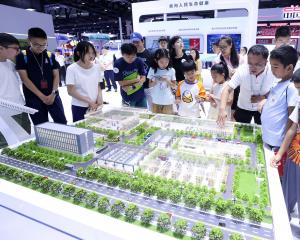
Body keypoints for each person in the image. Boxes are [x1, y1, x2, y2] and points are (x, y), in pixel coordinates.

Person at [260, 45, 299, 178]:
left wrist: (281, 151)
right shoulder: (278, 83)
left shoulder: (291, 88)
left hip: (277, 145)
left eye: (275, 67)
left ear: (289, 68)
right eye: (271, 66)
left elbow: (291, 120)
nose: (272, 70)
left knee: (275, 179)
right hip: (268, 140)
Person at [16, 27, 67, 125]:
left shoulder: (49, 55)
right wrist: (42, 97)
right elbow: (25, 79)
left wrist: (53, 93)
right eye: (36, 45)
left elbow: (56, 75)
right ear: (29, 41)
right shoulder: (22, 56)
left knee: (62, 122)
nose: (41, 48)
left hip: (53, 95)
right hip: (34, 98)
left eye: (44, 45)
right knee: (42, 127)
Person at [270, 69, 300, 222]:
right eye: (298, 90)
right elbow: (292, 130)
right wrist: (280, 154)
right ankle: (284, 219)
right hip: (295, 155)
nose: (299, 94)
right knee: (289, 190)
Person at [217, 45, 274, 125]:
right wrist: (222, 109)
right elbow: (227, 89)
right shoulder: (242, 70)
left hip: (263, 107)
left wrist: (263, 97)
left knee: (262, 131)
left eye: (258, 64)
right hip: (243, 106)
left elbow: (277, 89)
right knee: (240, 131)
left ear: (266, 62)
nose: (253, 67)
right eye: (250, 63)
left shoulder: (272, 71)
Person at [0, 33, 31, 148]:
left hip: (20, 109)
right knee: (6, 146)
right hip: (4, 115)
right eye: (15, 49)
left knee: (25, 141)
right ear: (1, 48)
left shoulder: (10, 64)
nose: (18, 52)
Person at [66, 41, 103, 122]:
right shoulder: (72, 69)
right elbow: (70, 91)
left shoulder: (97, 67)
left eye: (92, 53)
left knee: (97, 130)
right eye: (87, 53)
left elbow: (98, 85)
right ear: (79, 53)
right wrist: (89, 101)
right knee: (82, 130)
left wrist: (100, 98)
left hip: (95, 105)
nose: (91, 55)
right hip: (79, 107)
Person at [113, 43, 147, 108]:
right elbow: (121, 83)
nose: (131, 59)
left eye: (133, 56)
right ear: (122, 54)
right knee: (130, 116)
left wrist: (132, 86)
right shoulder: (118, 63)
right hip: (127, 96)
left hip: (140, 94)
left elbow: (143, 78)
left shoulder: (139, 61)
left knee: (143, 114)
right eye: (128, 57)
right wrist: (136, 80)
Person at [216, 36, 240, 119]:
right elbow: (215, 77)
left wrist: (237, 72)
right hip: (225, 89)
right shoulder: (218, 60)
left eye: (224, 47)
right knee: (226, 112)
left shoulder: (240, 58)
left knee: (236, 114)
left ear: (231, 45)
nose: (222, 49)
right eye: (220, 47)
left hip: (239, 89)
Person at [148, 48, 176, 114]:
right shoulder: (152, 69)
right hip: (155, 100)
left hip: (168, 101)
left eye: (166, 61)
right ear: (156, 60)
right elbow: (149, 85)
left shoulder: (171, 70)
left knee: (167, 122)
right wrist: (156, 81)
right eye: (161, 62)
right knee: (155, 122)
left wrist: (167, 80)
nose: (164, 64)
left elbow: (174, 86)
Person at [130, 32, 152, 109]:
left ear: (142, 41)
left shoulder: (150, 54)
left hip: (148, 86)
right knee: (139, 109)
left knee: (152, 109)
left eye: (137, 42)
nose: (135, 44)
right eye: (133, 42)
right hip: (136, 87)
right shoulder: (130, 55)